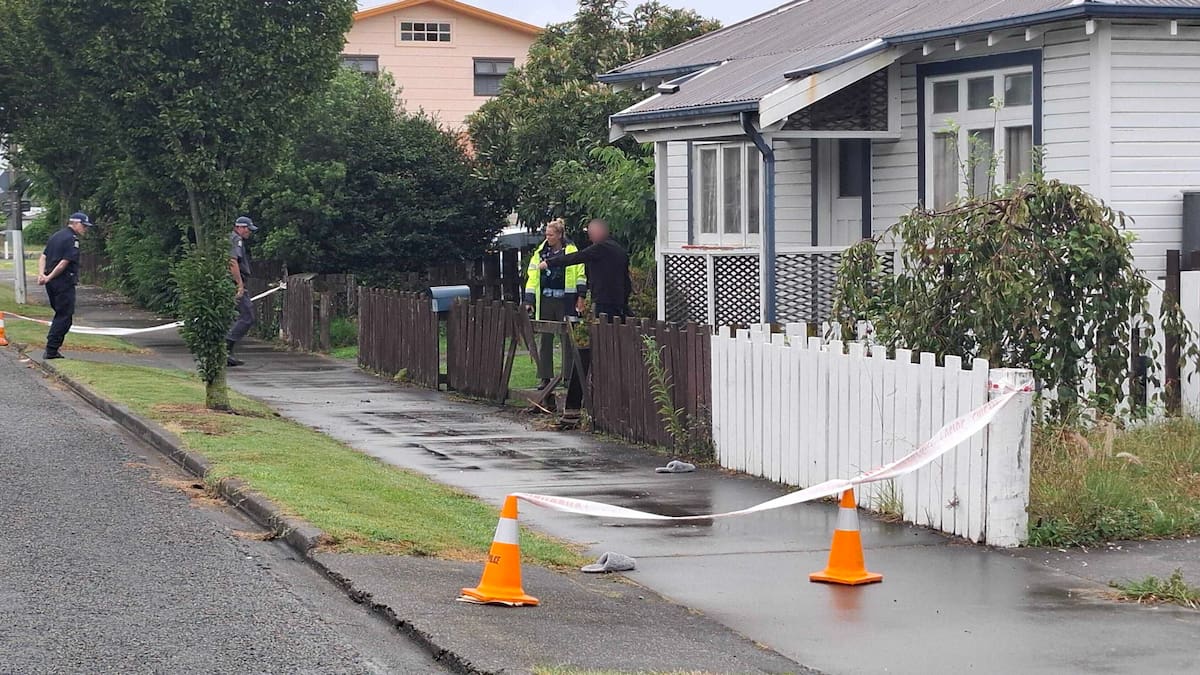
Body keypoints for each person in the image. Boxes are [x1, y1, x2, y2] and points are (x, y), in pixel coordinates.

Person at [524, 219, 587, 390]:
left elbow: (580, 274)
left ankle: (567, 377)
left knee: (567, 338)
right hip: (546, 299)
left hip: (566, 300)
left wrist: (581, 297)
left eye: (551, 235)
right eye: (546, 234)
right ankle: (545, 377)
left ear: (559, 235)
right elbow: (532, 277)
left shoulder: (571, 251)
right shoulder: (540, 253)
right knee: (545, 339)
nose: (547, 237)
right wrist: (529, 300)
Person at [540, 219, 631, 319]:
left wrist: (549, 262)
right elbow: (627, 280)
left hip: (603, 301)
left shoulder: (600, 247)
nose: (589, 238)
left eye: (590, 234)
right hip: (619, 301)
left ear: (598, 232)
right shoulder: (620, 250)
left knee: (603, 330)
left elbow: (578, 256)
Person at [37, 212, 94, 359]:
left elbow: (43, 256)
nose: (85, 229)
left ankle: (52, 348)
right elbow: (64, 263)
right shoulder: (72, 239)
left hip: (51, 283)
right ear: (75, 223)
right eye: (83, 226)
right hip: (63, 282)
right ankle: (51, 350)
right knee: (64, 316)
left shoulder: (56, 236)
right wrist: (48, 277)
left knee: (60, 314)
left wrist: (42, 275)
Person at [226, 215, 258, 367]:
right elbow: (232, 262)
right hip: (234, 284)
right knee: (247, 316)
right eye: (247, 229)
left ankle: (227, 352)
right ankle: (226, 349)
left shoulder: (232, 239)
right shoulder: (236, 240)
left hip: (231, 283)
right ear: (240, 227)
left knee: (233, 316)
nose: (249, 232)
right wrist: (239, 285)